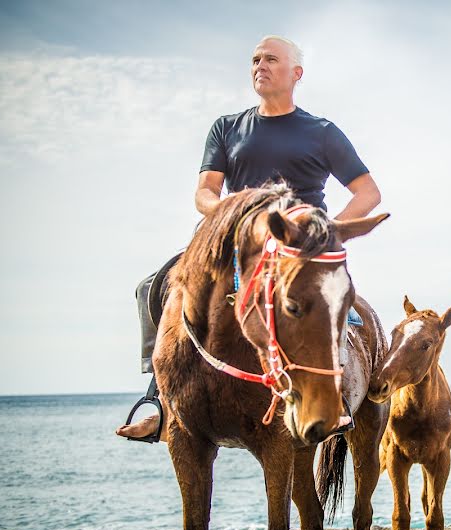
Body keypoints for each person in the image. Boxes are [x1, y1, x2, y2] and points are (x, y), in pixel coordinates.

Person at [117, 35, 381, 441]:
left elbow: (368, 193)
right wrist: (232, 209)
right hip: (236, 245)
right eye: (255, 59)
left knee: (333, 307)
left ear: (296, 74)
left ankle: (336, 398)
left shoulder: (323, 132)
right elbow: (205, 192)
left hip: (298, 250)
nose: (260, 65)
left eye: (271, 59)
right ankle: (159, 399)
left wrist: (323, 235)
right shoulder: (226, 128)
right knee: (149, 288)